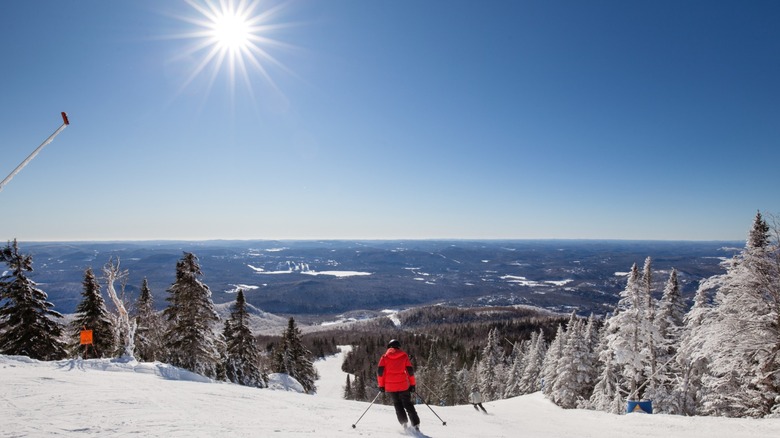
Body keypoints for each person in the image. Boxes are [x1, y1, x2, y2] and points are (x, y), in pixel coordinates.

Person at [377, 339, 420, 430]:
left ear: (389, 347)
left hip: (391, 387)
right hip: (403, 385)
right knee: (408, 404)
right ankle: (415, 424)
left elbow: (380, 373)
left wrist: (381, 385)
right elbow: (410, 371)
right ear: (398, 347)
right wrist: (412, 384)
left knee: (397, 404)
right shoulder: (404, 356)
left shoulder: (384, 357)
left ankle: (404, 424)